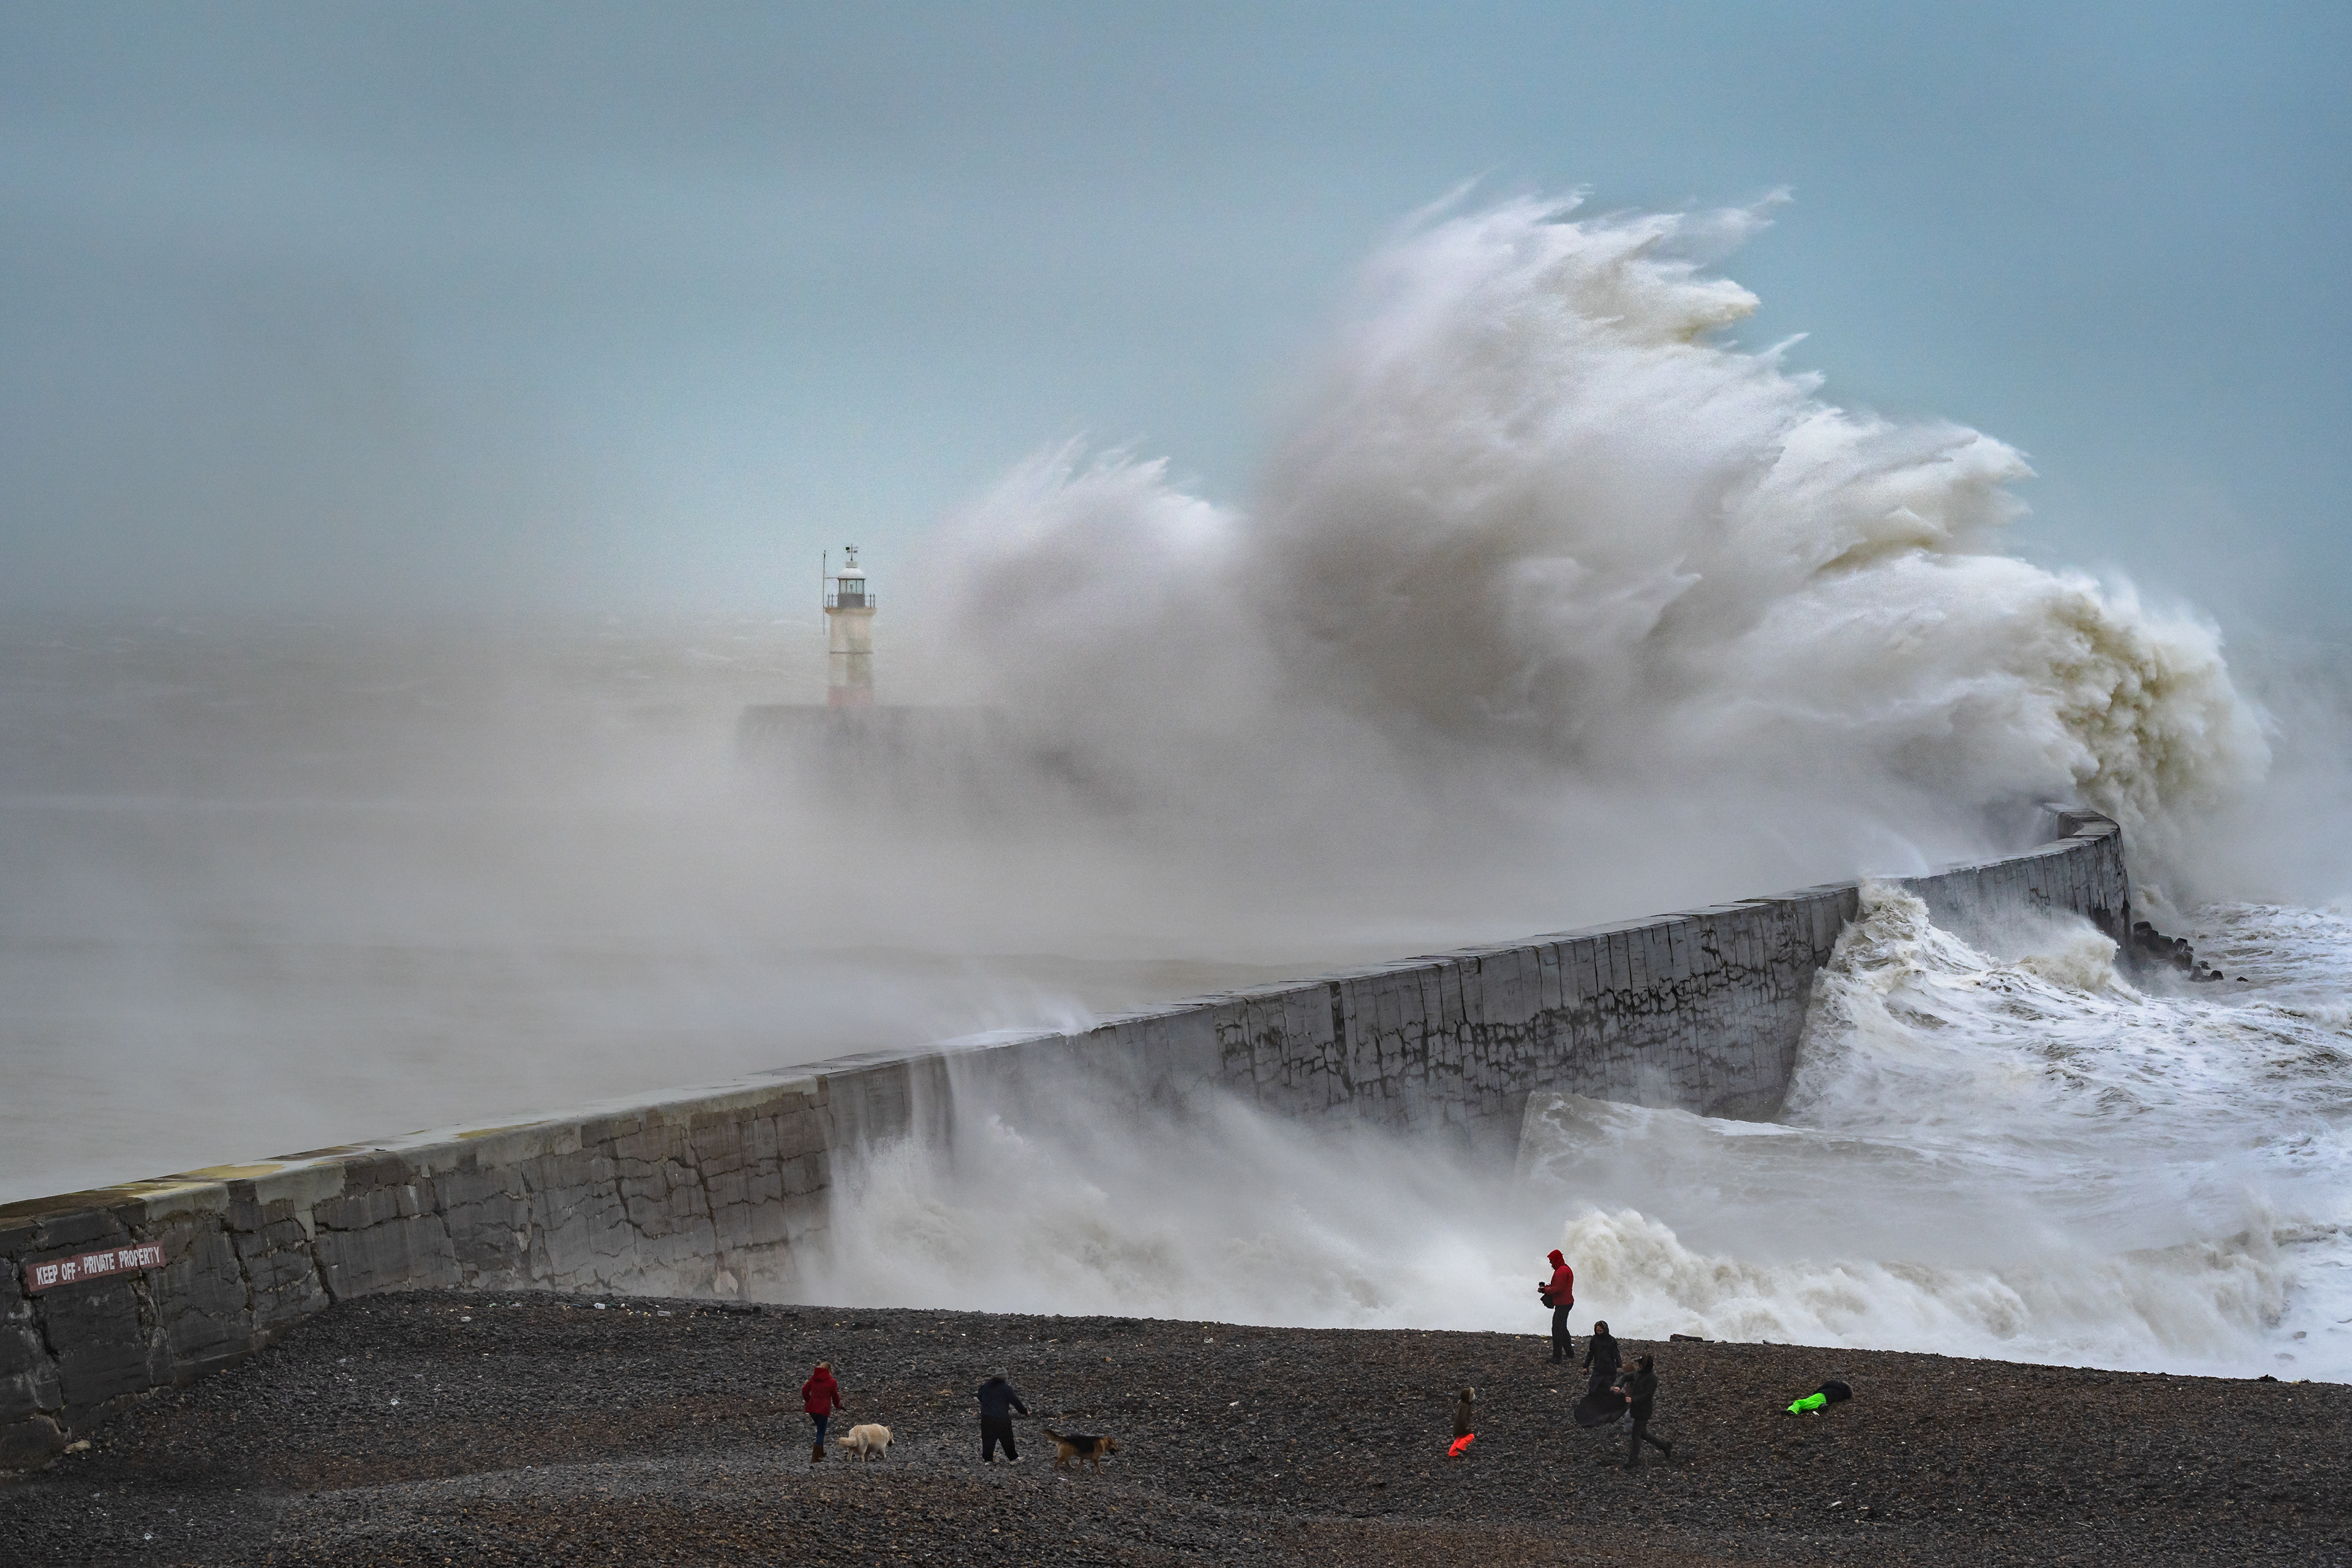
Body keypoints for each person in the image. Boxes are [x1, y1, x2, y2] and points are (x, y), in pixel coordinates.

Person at [1616, 1354, 1673, 1469]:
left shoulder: (1652, 1378)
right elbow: (1625, 1377)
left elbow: (1648, 1395)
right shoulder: (1637, 1373)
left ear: (1646, 1366)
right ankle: (1665, 1446)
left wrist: (1633, 1400)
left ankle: (1633, 1461)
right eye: (1639, 1364)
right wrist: (1619, 1386)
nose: (1639, 1366)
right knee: (1643, 1434)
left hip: (1644, 1411)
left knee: (1635, 1435)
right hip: (1636, 1409)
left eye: (1641, 1364)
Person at [976, 1373, 1028, 1463]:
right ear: (1005, 1378)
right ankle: (1013, 1459)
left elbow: (979, 1396)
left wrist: (987, 1405)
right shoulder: (1006, 1388)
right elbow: (1016, 1402)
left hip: (987, 1418)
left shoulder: (985, 1386)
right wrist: (1024, 1412)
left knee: (988, 1439)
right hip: (1002, 1419)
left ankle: (988, 1460)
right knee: (1007, 1439)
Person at [801, 1361, 844, 1464]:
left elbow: (804, 1390)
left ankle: (820, 1452)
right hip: (823, 1410)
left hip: (812, 1410)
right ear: (829, 1371)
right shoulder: (832, 1382)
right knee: (821, 1431)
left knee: (820, 1429)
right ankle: (815, 1457)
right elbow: (835, 1396)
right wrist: (838, 1406)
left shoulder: (814, 1379)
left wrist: (809, 1401)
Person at [1539, 1248, 1575, 1362]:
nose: (1551, 1264)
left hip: (1563, 1304)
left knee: (1557, 1329)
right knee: (1562, 1328)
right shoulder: (1565, 1269)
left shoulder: (1561, 1271)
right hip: (1567, 1302)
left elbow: (1557, 1289)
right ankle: (1570, 1353)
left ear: (1556, 1260)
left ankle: (1557, 1357)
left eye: (1551, 1261)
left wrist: (1544, 1289)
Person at [1582, 1319, 1622, 1401]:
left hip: (1610, 1369)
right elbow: (1591, 1353)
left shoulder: (1611, 1340)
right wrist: (1586, 1366)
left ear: (1605, 1330)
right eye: (1597, 1331)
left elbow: (1617, 1355)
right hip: (1598, 1368)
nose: (1599, 1333)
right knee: (1593, 1388)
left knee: (1605, 1389)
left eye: (1601, 1331)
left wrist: (1619, 1367)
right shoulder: (1594, 1340)